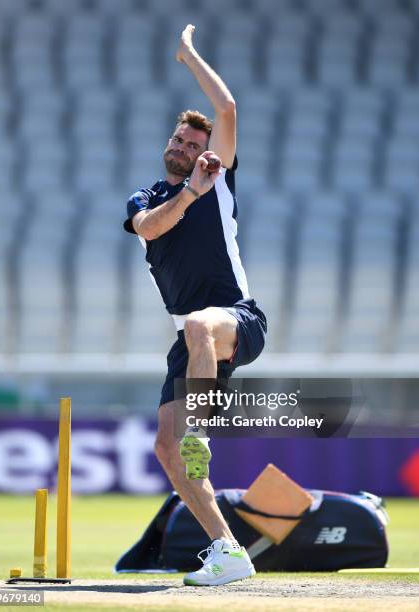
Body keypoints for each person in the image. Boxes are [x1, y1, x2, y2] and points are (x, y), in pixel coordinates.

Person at [124, 25, 267, 586]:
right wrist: (190, 193)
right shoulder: (149, 199)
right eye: (179, 141)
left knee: (202, 329)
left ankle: (201, 432)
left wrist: (188, 56)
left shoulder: (221, 180)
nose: (185, 148)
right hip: (191, 339)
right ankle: (229, 553)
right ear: (169, 145)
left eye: (193, 144)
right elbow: (150, 228)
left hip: (238, 318)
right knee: (166, 450)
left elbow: (226, 107)